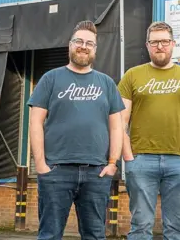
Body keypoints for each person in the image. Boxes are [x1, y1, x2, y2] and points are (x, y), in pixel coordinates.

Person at [28, 20, 125, 240]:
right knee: (49, 235)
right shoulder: (50, 79)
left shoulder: (107, 83)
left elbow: (117, 125)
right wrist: (41, 165)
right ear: (69, 45)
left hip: (96, 173)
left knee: (94, 235)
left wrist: (112, 164)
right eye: (78, 41)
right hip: (56, 171)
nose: (84, 46)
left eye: (89, 43)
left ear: (95, 49)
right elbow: (35, 123)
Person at [118, 21, 180, 240]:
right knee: (140, 226)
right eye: (155, 42)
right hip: (140, 160)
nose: (160, 46)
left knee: (176, 227)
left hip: (178, 161)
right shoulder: (132, 75)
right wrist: (129, 157)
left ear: (173, 44)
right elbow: (120, 120)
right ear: (147, 45)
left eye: (165, 41)